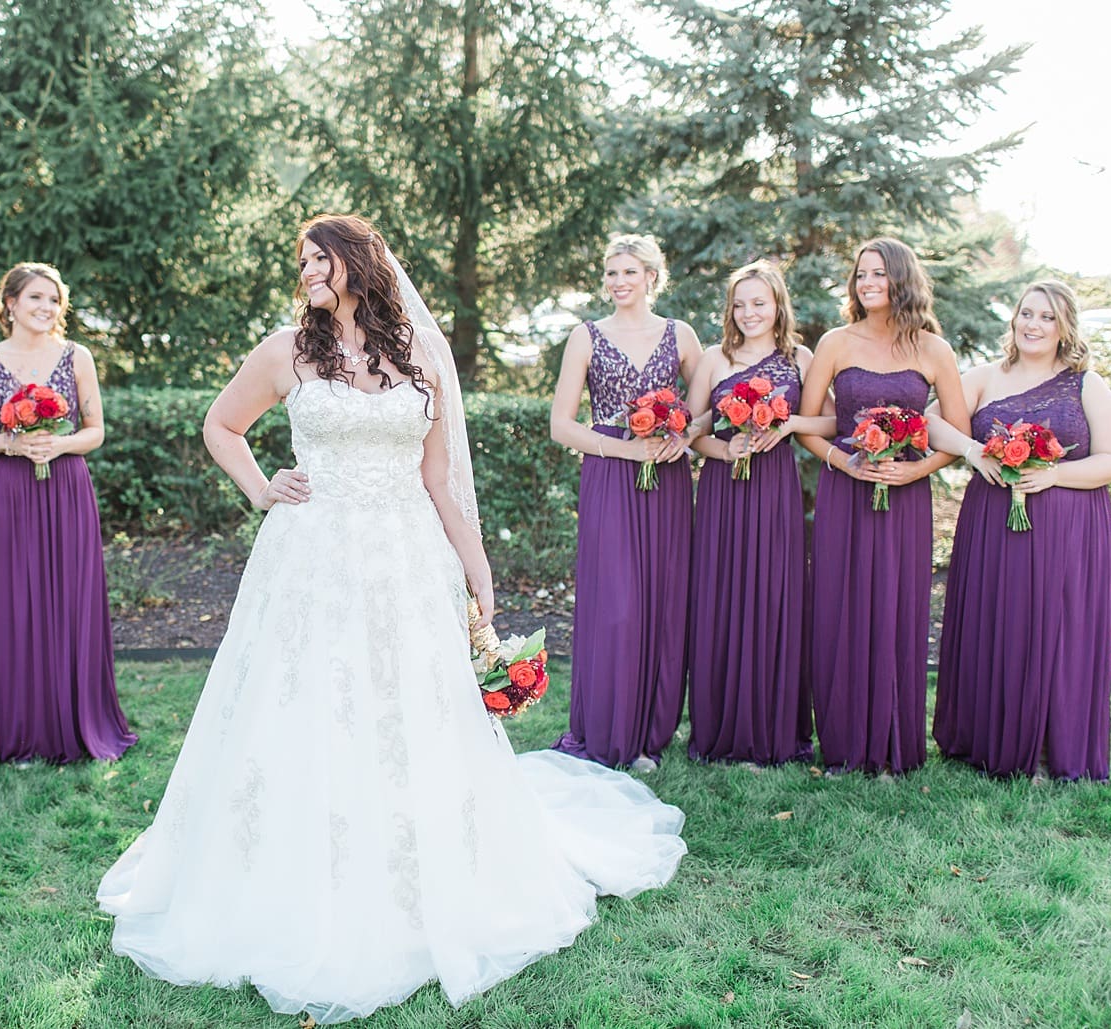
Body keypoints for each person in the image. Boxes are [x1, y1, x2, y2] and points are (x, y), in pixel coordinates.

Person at [97, 214, 686, 1025]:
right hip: (309, 559)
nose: (305, 270)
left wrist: (476, 569)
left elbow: (440, 480)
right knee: (302, 702)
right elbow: (220, 425)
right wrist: (263, 486)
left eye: (317, 258)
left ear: (356, 264)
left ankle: (419, 863)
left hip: (405, 556)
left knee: (408, 704)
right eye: (300, 259)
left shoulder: (418, 352)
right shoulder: (287, 350)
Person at [929, 280, 1111, 781]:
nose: (1033, 325)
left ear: (1064, 329)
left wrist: (1055, 474)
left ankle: (1049, 749)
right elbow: (930, 420)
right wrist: (972, 451)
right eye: (1027, 314)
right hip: (993, 523)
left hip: (1069, 530)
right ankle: (988, 739)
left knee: (1056, 630)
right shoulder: (986, 377)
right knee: (999, 621)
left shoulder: (1085, 383)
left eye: (1047, 317)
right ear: (1014, 320)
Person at [795, 239, 971, 776]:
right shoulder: (834, 342)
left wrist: (915, 469)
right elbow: (808, 427)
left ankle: (895, 742)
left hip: (906, 498)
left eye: (878, 273)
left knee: (897, 610)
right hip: (846, 493)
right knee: (839, 607)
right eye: (860, 274)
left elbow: (959, 436)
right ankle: (844, 743)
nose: (867, 282)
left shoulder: (932, 349)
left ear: (901, 279)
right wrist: (844, 463)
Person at [0, 262, 135, 763]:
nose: (45, 308)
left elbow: (95, 430)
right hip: (11, 492)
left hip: (67, 489)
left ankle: (76, 724)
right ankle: (22, 732)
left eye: (53, 300)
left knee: (70, 601)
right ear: (10, 303)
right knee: (12, 605)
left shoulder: (76, 356)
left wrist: (57, 446)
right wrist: (12, 443)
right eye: (35, 298)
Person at [548, 233, 703, 771]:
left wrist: (681, 436)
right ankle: (607, 728)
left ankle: (647, 738)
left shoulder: (680, 335)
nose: (618, 282)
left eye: (629, 273)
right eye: (611, 273)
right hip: (610, 481)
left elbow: (704, 410)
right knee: (617, 607)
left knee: (661, 602)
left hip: (668, 484)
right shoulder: (586, 336)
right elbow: (560, 425)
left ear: (652, 278)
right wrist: (625, 451)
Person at [685, 262, 832, 766]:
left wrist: (787, 423)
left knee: (772, 595)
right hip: (725, 490)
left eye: (759, 303)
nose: (749, 313)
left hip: (775, 493)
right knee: (723, 597)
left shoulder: (800, 358)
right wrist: (724, 451)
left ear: (777, 306)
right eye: (740, 304)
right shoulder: (713, 358)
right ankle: (720, 729)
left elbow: (831, 419)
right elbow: (691, 429)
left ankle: (770, 729)